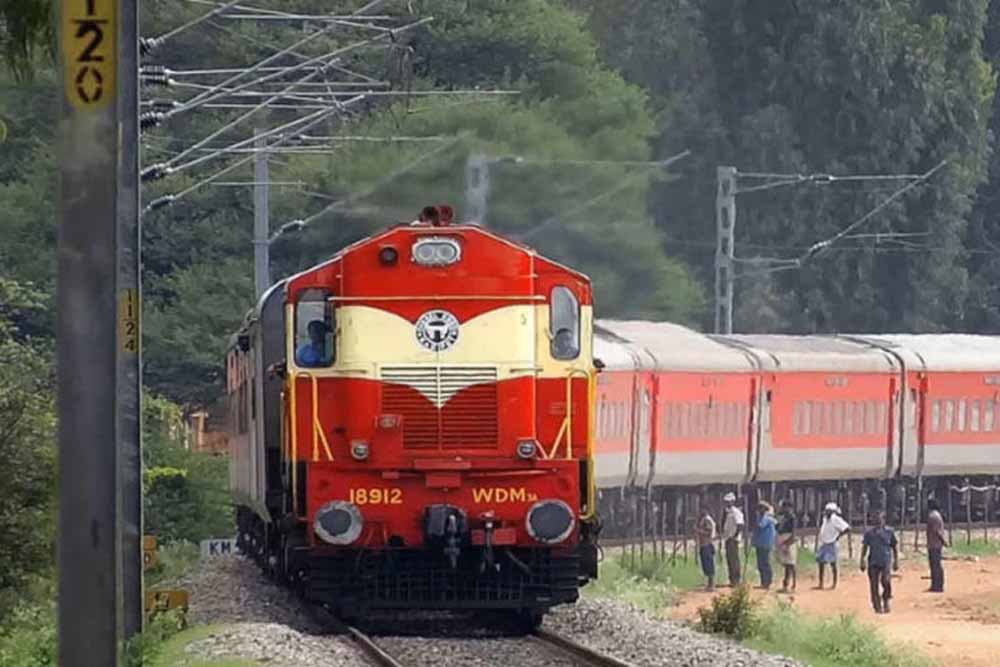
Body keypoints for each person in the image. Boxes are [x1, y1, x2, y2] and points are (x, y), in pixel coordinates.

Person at [860, 511, 899, 614]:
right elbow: (865, 547)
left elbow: (894, 547)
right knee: (874, 585)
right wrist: (862, 560)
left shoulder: (889, 532)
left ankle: (886, 600)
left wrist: (896, 561)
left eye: (880, 519)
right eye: (876, 519)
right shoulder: (869, 533)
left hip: (885, 561)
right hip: (873, 561)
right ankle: (877, 606)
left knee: (886, 581)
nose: (878, 521)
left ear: (884, 520)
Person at [815, 502, 850, 589]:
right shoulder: (825, 519)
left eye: (828, 511)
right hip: (824, 542)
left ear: (832, 512)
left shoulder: (836, 519)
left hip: (832, 543)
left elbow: (847, 528)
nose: (826, 512)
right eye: (826, 510)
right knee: (821, 562)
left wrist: (838, 536)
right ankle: (821, 583)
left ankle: (834, 583)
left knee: (833, 563)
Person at [721, 492, 745, 586]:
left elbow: (740, 525)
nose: (727, 503)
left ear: (732, 501)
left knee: (734, 559)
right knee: (729, 559)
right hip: (727, 537)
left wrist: (735, 536)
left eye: (728, 501)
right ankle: (732, 579)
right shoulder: (727, 512)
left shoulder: (736, 512)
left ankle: (736, 580)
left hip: (733, 539)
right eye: (726, 501)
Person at [752, 500, 777, 589]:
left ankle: (767, 581)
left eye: (760, 508)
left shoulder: (767, 518)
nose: (759, 510)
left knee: (765, 563)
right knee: (760, 563)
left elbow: (760, 526)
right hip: (760, 543)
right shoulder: (763, 517)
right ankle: (763, 581)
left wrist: (757, 520)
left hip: (765, 543)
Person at [926, 497, 949, 593]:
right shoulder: (937, 515)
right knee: (936, 565)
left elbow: (936, 531)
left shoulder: (933, 516)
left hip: (934, 544)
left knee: (935, 565)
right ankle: (937, 584)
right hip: (935, 544)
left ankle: (937, 585)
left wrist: (943, 541)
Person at [776, 499, 798, 593]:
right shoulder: (783, 517)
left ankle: (793, 584)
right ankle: (786, 584)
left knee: (791, 563)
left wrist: (788, 543)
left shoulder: (792, 518)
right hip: (783, 538)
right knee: (786, 564)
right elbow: (778, 528)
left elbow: (793, 532)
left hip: (789, 539)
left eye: (784, 507)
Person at [696, 506, 717, 591]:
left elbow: (708, 532)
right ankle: (709, 583)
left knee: (709, 563)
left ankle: (711, 584)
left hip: (707, 544)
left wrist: (698, 531)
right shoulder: (703, 519)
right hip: (703, 544)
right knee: (705, 563)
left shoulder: (707, 520)